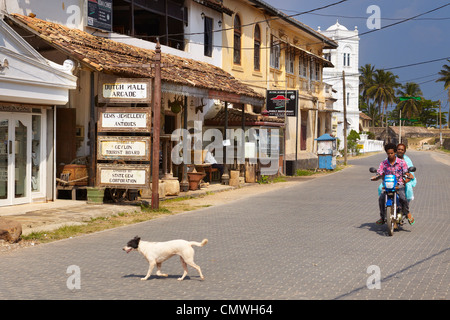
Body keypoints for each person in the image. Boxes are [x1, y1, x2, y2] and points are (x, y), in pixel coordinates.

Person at [371, 142, 415, 226]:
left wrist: (407, 175)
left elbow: (406, 172)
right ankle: (383, 217)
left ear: (395, 152)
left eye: (392, 153)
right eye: (388, 153)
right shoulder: (383, 163)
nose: (390, 155)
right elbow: (380, 172)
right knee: (381, 199)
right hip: (388, 185)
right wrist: (375, 177)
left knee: (403, 198)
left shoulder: (402, 162)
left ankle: (407, 213)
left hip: (399, 184)